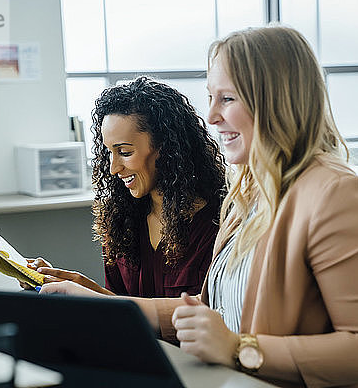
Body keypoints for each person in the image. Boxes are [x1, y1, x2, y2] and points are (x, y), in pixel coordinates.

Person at [40, 26, 358, 387]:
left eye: (228, 98)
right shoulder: (248, 195)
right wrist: (95, 304)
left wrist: (240, 349)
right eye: (211, 97)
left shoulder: (342, 198)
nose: (211, 116)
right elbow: (208, 315)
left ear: (276, 101)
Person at [23, 76, 226, 298]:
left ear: (166, 148)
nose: (113, 168)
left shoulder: (216, 224)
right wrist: (72, 285)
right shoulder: (122, 220)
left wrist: (89, 294)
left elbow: (210, 315)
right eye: (108, 152)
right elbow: (121, 308)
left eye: (125, 152)